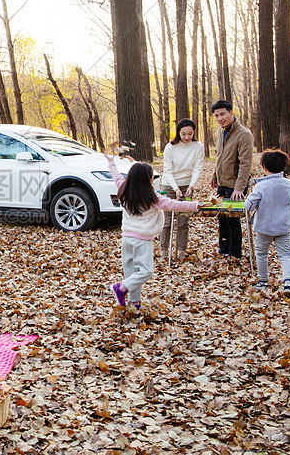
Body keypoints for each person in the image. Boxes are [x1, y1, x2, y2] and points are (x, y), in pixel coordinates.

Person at [107, 155, 199, 310]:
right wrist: (195, 205)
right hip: (142, 240)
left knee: (131, 273)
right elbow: (174, 205)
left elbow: (116, 176)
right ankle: (121, 288)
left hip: (126, 239)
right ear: (147, 180)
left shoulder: (123, 188)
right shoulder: (152, 197)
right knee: (146, 271)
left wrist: (111, 163)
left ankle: (134, 303)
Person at [245, 149, 290, 295]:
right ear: (283, 167)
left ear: (264, 167)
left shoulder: (261, 186)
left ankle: (263, 280)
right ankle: (288, 282)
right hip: (283, 227)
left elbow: (248, 205)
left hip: (264, 228)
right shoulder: (289, 185)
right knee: (285, 254)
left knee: (261, 253)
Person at [209, 99, 254, 258]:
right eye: (216, 116)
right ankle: (224, 249)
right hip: (222, 183)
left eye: (222, 114)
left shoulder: (244, 134)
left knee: (233, 219)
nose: (220, 118)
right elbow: (219, 156)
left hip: (235, 185)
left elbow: (245, 164)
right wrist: (215, 175)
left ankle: (235, 253)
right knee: (222, 217)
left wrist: (238, 189)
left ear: (231, 113)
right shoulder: (221, 131)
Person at [160, 118, 205, 260]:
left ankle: (181, 250)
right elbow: (167, 170)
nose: (186, 137)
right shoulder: (170, 147)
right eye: (183, 134)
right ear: (178, 133)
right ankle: (164, 250)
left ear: (194, 133)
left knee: (183, 221)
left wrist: (191, 186)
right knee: (167, 220)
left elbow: (197, 169)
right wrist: (175, 188)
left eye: (190, 134)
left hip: (187, 186)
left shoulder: (198, 147)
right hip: (169, 185)